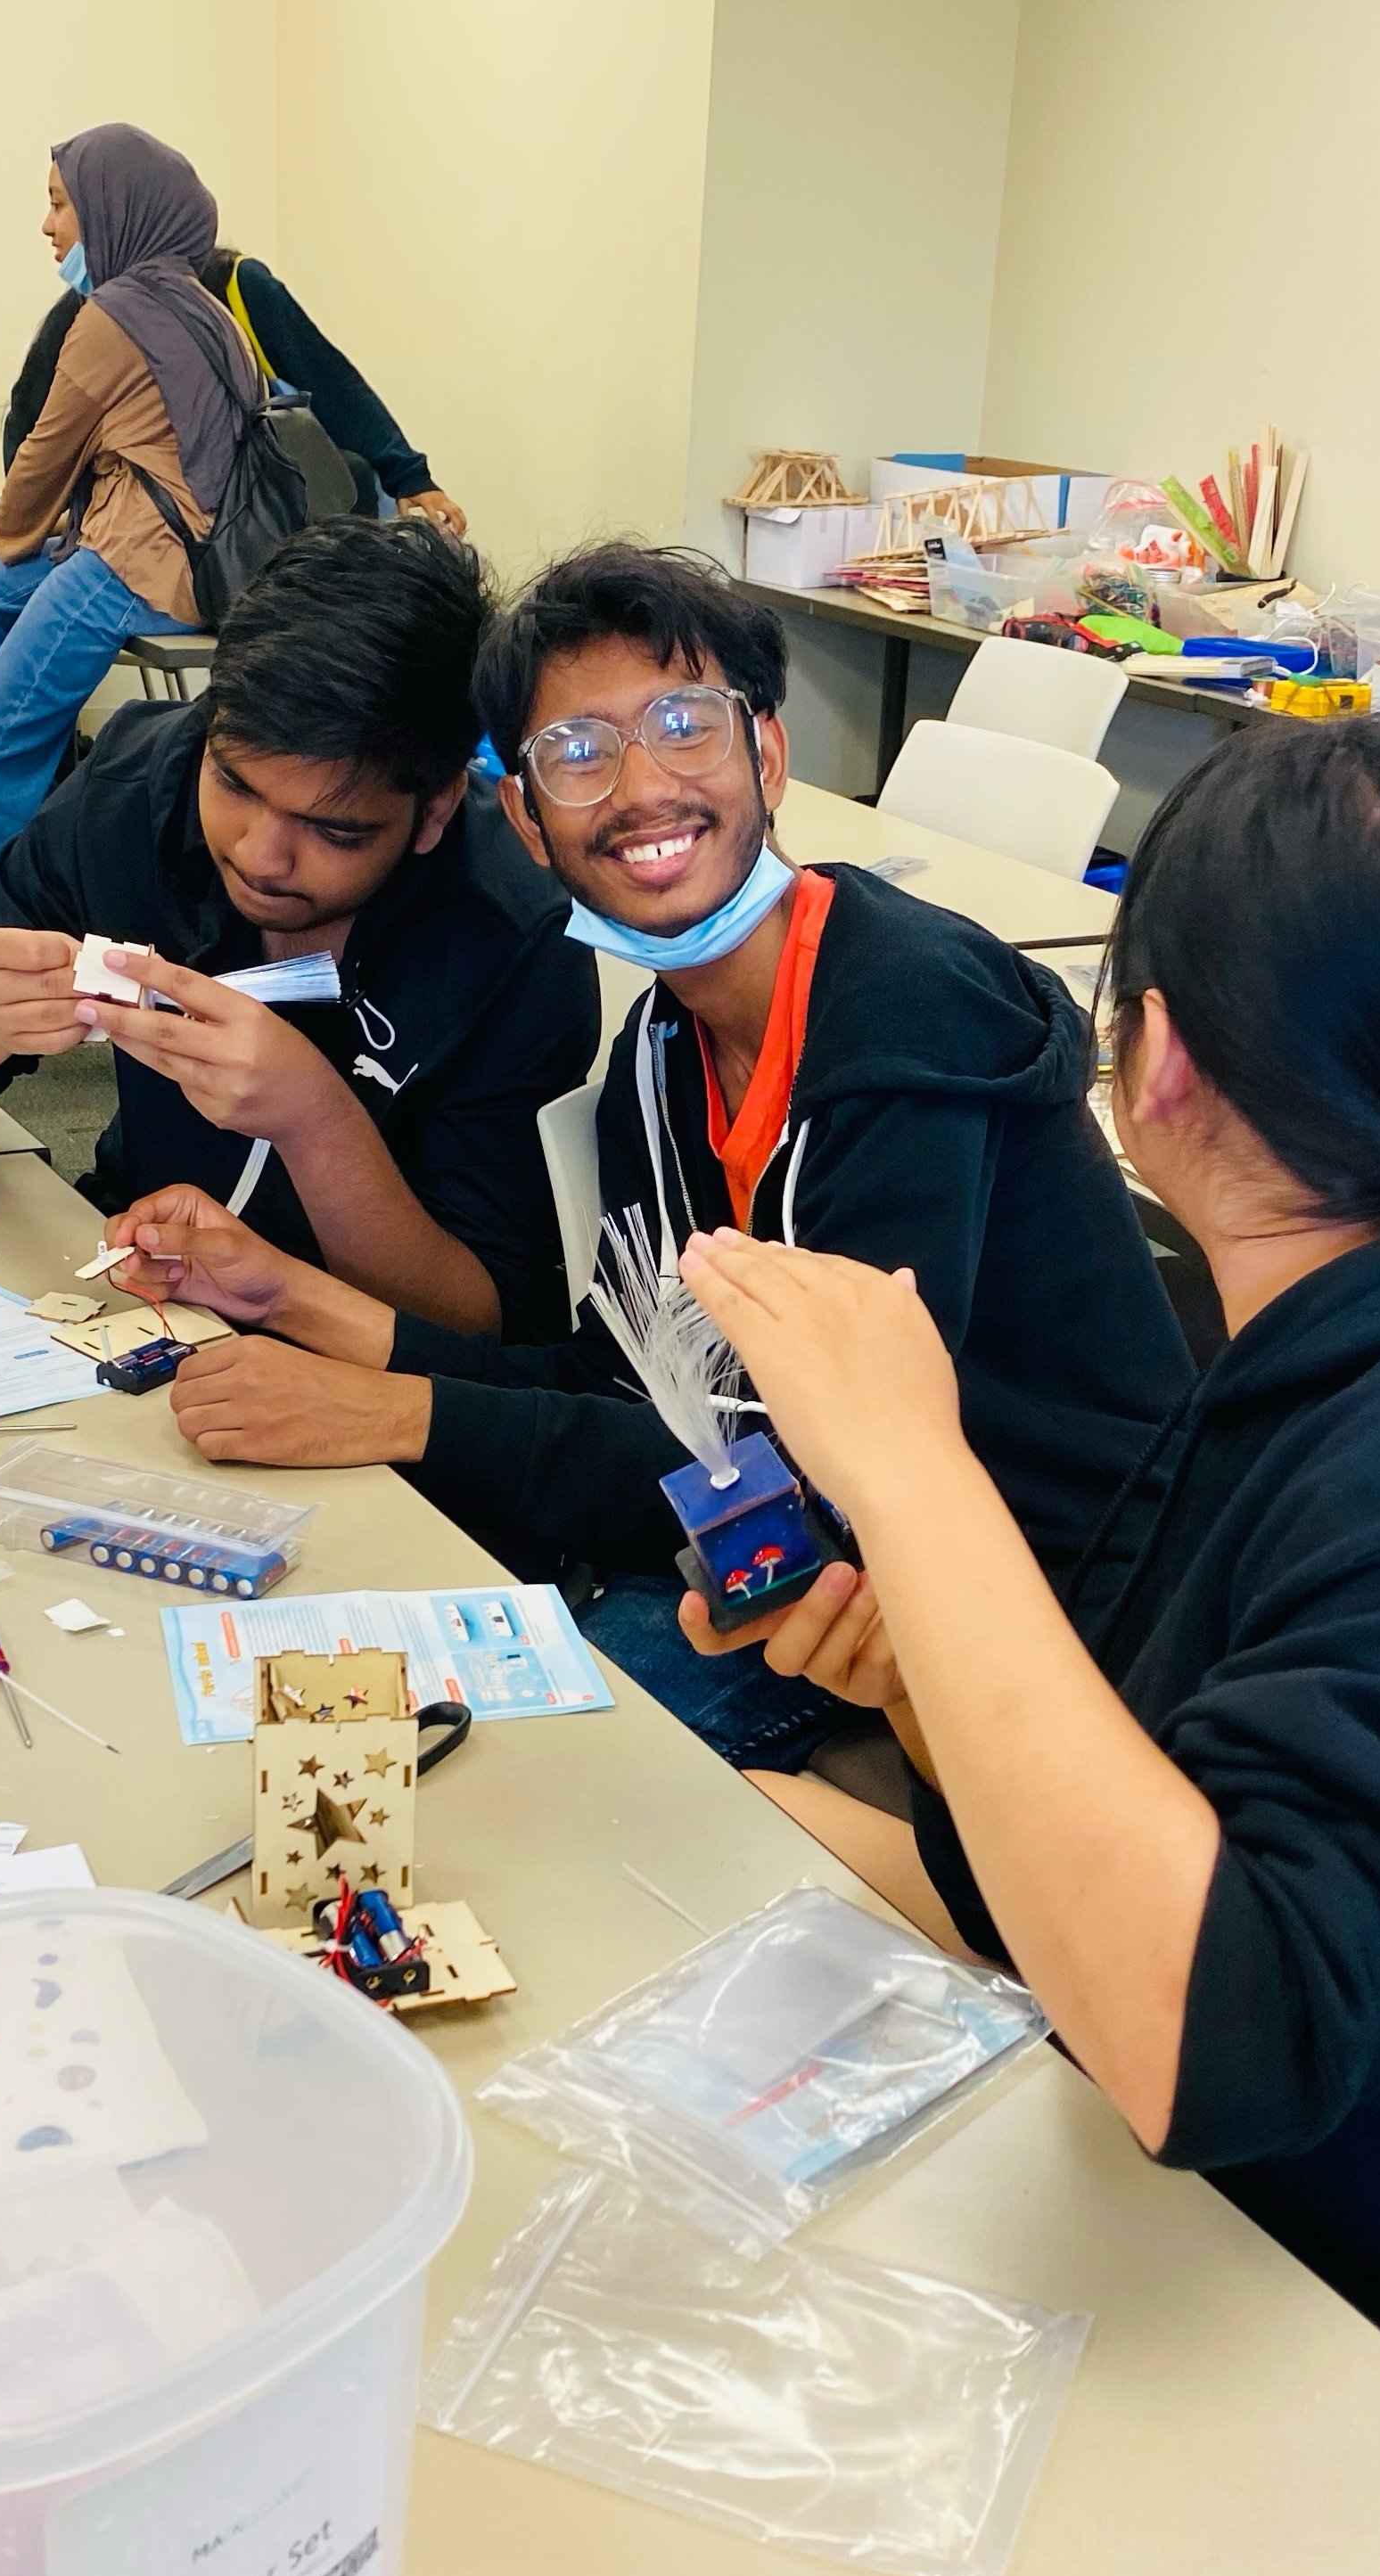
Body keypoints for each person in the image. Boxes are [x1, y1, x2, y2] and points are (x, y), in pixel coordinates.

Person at [671, 716, 1380, 2576]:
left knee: (671, 2450)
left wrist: (913, 1467)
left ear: (1160, 1072)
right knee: (741, 1826)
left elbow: (1203, 2020)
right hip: (1295, 2209)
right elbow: (1176, 1822)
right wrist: (912, 1688)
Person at [100, 540, 1194, 1768]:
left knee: (506, 1759)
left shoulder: (906, 1014)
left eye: (685, 725)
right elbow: (636, 1384)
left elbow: (829, 1471)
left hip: (1061, 1615)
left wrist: (397, 1412)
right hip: (812, 1571)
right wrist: (290, 1297)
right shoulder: (663, 1056)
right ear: (523, 817)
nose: (639, 787)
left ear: (767, 752)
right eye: (576, 754)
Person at [0, 520, 596, 1334]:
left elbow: (475, 1322)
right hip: (125, 1299)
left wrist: (314, 1119)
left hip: (348, 1383)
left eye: (335, 831)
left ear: (435, 807)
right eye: (233, 783)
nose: (263, 855)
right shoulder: (133, 793)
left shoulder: (521, 934)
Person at [0, 124, 263, 929]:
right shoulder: (202, 309)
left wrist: (7, 526)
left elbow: (48, 449)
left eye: (59, 205)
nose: (49, 227)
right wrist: (19, 543)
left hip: (136, 564)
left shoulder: (115, 312)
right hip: (190, 558)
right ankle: (19, 840)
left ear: (113, 210)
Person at [2, 239, 466, 536]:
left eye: (63, 207)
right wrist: (40, 516)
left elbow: (330, 381)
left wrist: (408, 475)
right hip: (149, 534)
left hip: (257, 523)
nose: (47, 228)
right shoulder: (90, 312)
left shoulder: (235, 286)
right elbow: (30, 419)